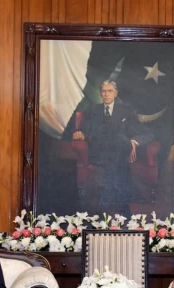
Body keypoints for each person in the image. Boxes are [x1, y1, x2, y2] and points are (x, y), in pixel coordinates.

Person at [63, 80, 153, 217]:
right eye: (104, 91)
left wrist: (134, 143)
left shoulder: (126, 110)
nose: (106, 94)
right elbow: (84, 130)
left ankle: (108, 191)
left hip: (121, 149)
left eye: (110, 91)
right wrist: (80, 133)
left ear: (115, 93)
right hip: (100, 152)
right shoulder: (93, 109)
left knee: (120, 140)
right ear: (100, 93)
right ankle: (121, 200)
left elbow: (147, 133)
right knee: (120, 145)